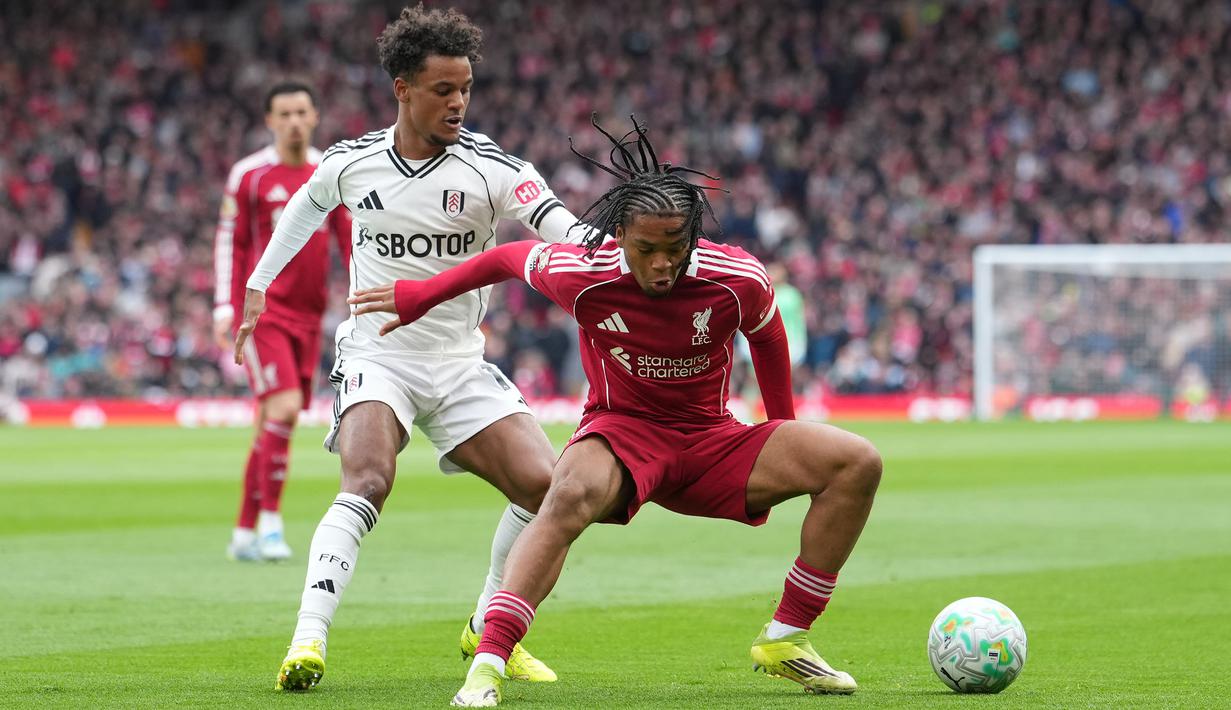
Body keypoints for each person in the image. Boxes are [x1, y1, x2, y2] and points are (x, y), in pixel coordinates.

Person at [350, 117, 883, 706]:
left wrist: (781, 427)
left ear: (693, 238)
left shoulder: (737, 278)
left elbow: (770, 337)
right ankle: (489, 662)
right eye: (645, 250)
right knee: (566, 494)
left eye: (675, 250)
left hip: (711, 440)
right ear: (620, 235)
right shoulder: (583, 272)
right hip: (621, 434)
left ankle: (786, 637)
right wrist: (421, 294)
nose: (660, 265)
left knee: (857, 461)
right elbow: (505, 257)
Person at [234, 4, 583, 693]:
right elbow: (306, 207)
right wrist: (258, 285)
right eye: (442, 89)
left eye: (466, 89)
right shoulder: (353, 162)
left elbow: (560, 226)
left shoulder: (493, 169)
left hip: (458, 364)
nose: (458, 103)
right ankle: (308, 639)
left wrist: (613, 257)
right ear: (403, 88)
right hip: (378, 358)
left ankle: (489, 626)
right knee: (368, 480)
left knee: (547, 488)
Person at [213, 80, 352, 563]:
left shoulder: (328, 172)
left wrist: (361, 296)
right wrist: (224, 306)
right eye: (284, 114)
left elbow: (349, 240)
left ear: (314, 117)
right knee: (286, 408)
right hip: (262, 314)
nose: (293, 122)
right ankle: (271, 525)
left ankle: (243, 532)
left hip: (310, 316)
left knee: (270, 420)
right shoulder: (250, 176)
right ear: (270, 121)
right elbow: (231, 242)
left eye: (301, 113)